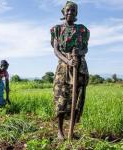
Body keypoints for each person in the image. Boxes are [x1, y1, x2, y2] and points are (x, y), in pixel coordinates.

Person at [50, 1, 90, 140]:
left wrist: (79, 52)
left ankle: (71, 131)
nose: (70, 13)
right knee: (61, 97)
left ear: (76, 13)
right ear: (63, 12)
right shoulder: (57, 29)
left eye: (73, 11)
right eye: (68, 10)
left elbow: (86, 49)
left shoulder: (82, 30)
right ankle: (60, 131)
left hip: (79, 66)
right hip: (63, 66)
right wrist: (67, 60)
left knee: (76, 99)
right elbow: (56, 50)